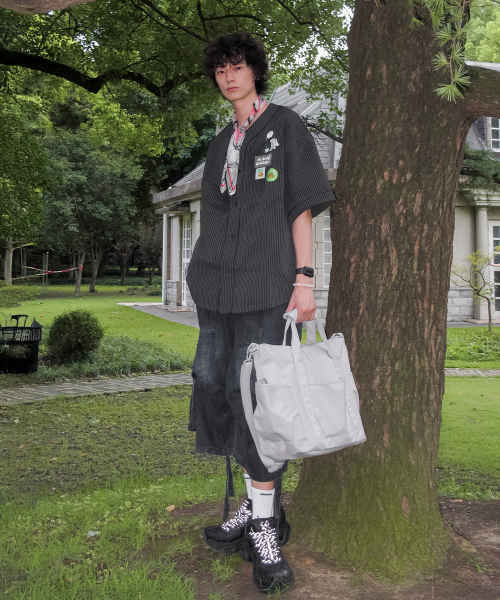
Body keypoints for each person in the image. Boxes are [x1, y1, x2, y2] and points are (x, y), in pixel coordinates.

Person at [185, 31, 336, 594]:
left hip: (268, 287)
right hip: (215, 290)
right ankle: (253, 503)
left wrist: (304, 279)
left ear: (254, 71)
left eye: (238, 66)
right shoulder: (219, 142)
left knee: (256, 401)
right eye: (220, 69)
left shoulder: (285, 126)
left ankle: (266, 530)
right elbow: (213, 216)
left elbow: (302, 206)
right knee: (214, 385)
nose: (229, 76)